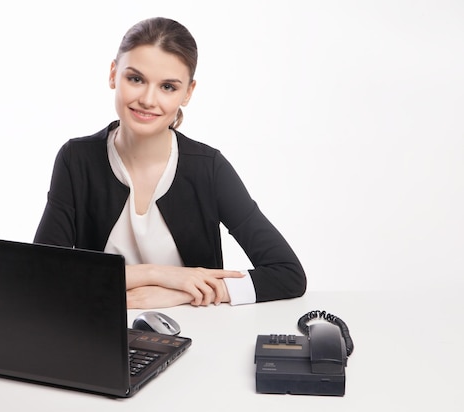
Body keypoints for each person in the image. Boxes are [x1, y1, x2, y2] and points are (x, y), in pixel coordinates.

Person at [34, 17, 306, 308]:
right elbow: (43, 273)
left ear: (187, 93)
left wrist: (180, 293)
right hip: (99, 332)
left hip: (197, 335)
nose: (148, 100)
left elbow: (288, 274)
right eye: (135, 79)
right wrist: (156, 274)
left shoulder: (208, 168)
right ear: (114, 74)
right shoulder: (77, 159)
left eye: (167, 87)